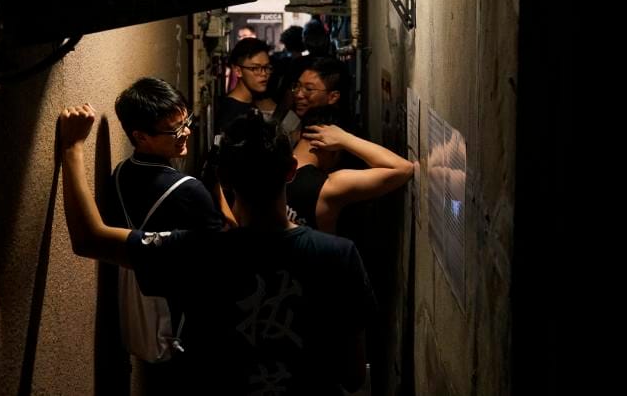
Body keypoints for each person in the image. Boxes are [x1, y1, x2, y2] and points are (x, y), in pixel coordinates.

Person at [60, 107, 377, 395]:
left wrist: (72, 147)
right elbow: (353, 375)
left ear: (224, 177)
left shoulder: (197, 249)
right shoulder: (339, 255)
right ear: (291, 170)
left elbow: (90, 239)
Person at [106, 78, 229, 394]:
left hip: (140, 309)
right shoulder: (188, 191)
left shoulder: (119, 175)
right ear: (140, 136)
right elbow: (221, 256)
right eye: (175, 130)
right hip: (185, 324)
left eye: (186, 122)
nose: (186, 132)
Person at [286, 106, 414, 233]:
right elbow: (404, 169)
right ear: (331, 145)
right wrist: (345, 139)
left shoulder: (275, 164)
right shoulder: (327, 187)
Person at [217, 37, 277, 131]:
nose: (264, 74)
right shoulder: (232, 112)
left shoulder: (252, 103)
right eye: (255, 68)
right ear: (238, 71)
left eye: (266, 67)